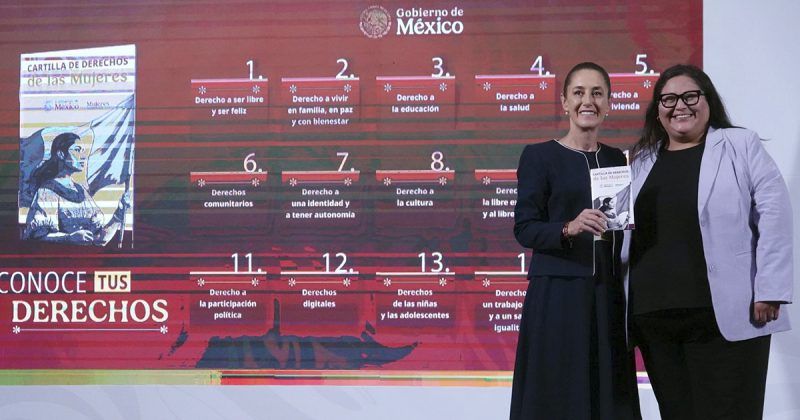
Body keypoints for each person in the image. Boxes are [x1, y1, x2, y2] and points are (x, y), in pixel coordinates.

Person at [622, 64, 793, 419]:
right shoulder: (638, 161)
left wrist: (770, 288)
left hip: (725, 315)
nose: (679, 106)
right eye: (668, 99)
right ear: (658, 109)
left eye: (690, 96)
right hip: (654, 318)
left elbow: (775, 213)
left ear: (708, 101)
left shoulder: (740, 145)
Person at [510, 62, 641, 420]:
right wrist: (569, 227)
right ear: (564, 102)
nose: (588, 101)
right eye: (579, 92)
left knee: (606, 391)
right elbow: (524, 229)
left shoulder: (617, 159)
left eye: (597, 93)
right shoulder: (539, 156)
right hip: (557, 292)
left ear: (609, 102)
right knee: (557, 390)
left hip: (606, 294)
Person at [23, 132, 126, 246]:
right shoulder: (47, 192)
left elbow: (100, 240)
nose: (83, 156)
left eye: (83, 151)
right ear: (61, 154)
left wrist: (118, 216)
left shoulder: (81, 190)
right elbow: (37, 237)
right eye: (77, 150)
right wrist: (69, 238)